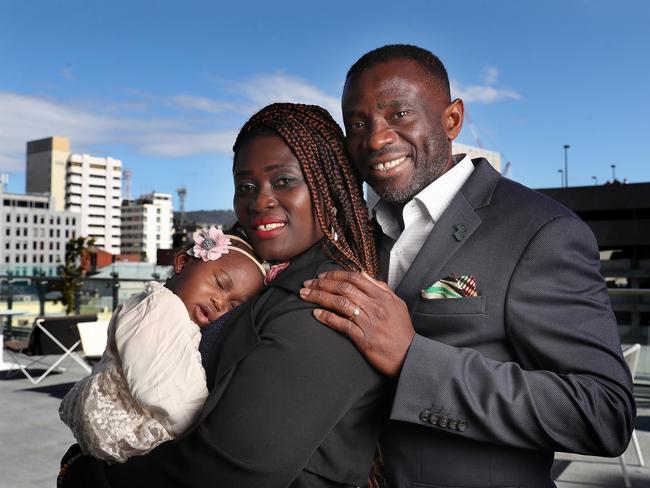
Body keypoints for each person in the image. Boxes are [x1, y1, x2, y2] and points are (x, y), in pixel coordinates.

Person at [300, 44, 636, 488]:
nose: (376, 139)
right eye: (358, 124)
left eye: (399, 114)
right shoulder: (354, 236)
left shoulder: (541, 230)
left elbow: (603, 413)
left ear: (452, 119)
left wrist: (411, 360)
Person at [58, 103, 387, 488]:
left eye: (283, 181)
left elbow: (225, 471)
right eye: (246, 186)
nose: (260, 200)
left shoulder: (324, 300)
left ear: (327, 188)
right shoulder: (272, 277)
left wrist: (88, 474)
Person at [59, 227, 267, 463]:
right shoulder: (160, 307)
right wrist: (206, 435)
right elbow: (166, 387)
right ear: (182, 262)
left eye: (234, 307)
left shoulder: (170, 311)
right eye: (219, 283)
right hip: (127, 433)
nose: (220, 302)